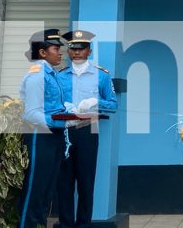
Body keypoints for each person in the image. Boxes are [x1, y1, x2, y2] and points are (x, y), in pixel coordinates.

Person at [55, 30, 117, 228]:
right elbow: (52, 103)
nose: (77, 52)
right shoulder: (60, 76)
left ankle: (83, 224)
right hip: (64, 131)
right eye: (73, 48)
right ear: (69, 51)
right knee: (64, 182)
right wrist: (63, 106)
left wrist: (94, 101)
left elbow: (113, 104)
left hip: (88, 131)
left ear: (89, 51)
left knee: (86, 180)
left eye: (81, 49)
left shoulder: (101, 76)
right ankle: (65, 223)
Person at [19, 28, 71, 228]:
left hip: (53, 136)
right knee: (35, 190)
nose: (60, 52)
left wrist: (72, 112)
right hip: (39, 137)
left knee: (47, 191)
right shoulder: (37, 75)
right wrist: (63, 121)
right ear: (42, 53)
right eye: (56, 48)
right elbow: (31, 113)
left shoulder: (51, 74)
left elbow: (54, 106)